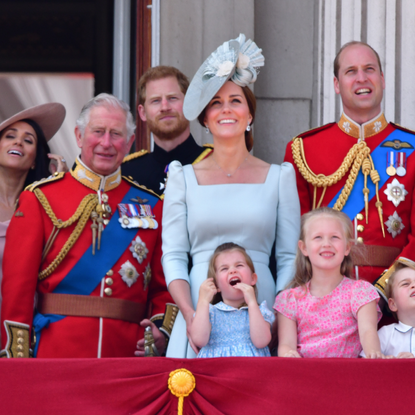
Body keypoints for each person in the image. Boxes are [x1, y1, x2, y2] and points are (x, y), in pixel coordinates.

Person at [0, 93, 176, 358]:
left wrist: (161, 331)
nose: (106, 143)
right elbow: (18, 288)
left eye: (116, 134)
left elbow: (165, 286)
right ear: (79, 136)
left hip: (127, 357)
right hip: (56, 355)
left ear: (129, 143)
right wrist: (16, 356)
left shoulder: (153, 205)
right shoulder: (40, 198)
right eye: (98, 132)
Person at [162, 34, 300, 358]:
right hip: (199, 311)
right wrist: (189, 313)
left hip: (261, 309)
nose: (227, 109)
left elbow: (289, 259)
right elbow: (173, 257)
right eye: (216, 103)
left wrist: (278, 319)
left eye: (236, 101)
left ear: (250, 115)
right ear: (206, 119)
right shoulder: (182, 177)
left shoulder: (280, 177)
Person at [284, 41, 415, 288]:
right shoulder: (303, 149)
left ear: (382, 79)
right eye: (350, 71)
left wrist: (388, 289)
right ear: (336, 84)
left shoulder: (413, 148)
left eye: (369, 69)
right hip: (324, 296)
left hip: (395, 300)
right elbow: (293, 236)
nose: (361, 78)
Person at [275, 207, 383, 358]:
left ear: (347, 247)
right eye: (318, 237)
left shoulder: (360, 291)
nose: (326, 243)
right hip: (305, 376)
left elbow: (368, 332)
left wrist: (374, 355)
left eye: (335, 237)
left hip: (349, 376)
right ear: (304, 248)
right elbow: (286, 345)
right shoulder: (289, 299)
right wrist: (288, 355)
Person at [0, 103, 67, 344]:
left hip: (24, 331)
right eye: (10, 136)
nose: (18, 142)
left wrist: (61, 186)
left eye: (28, 140)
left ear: (33, 160)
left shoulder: (44, 207)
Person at [122, 66, 213, 196]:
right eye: (155, 101)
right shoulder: (127, 173)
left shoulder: (216, 165)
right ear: (143, 113)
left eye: (172, 98)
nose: (165, 107)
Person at [191, 243, 274, 357]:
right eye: (224, 268)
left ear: (253, 279)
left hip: (252, 371)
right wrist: (203, 301)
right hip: (217, 372)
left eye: (239, 265)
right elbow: (199, 340)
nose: (232, 271)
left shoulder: (260, 311)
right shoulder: (209, 312)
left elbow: (261, 341)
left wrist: (252, 303)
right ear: (216, 285)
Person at [361, 259, 415, 358]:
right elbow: (365, 364)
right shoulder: (386, 334)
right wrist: (387, 363)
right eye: (405, 284)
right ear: (393, 304)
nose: (413, 285)